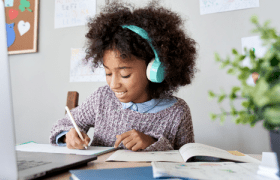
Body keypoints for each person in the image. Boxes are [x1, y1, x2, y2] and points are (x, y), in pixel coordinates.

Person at [49, 1, 198, 151]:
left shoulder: (177, 112)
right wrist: (68, 135)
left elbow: (187, 158)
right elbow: (61, 125)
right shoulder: (102, 98)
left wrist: (153, 144)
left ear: (154, 69)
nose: (113, 84)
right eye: (108, 73)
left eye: (124, 74)